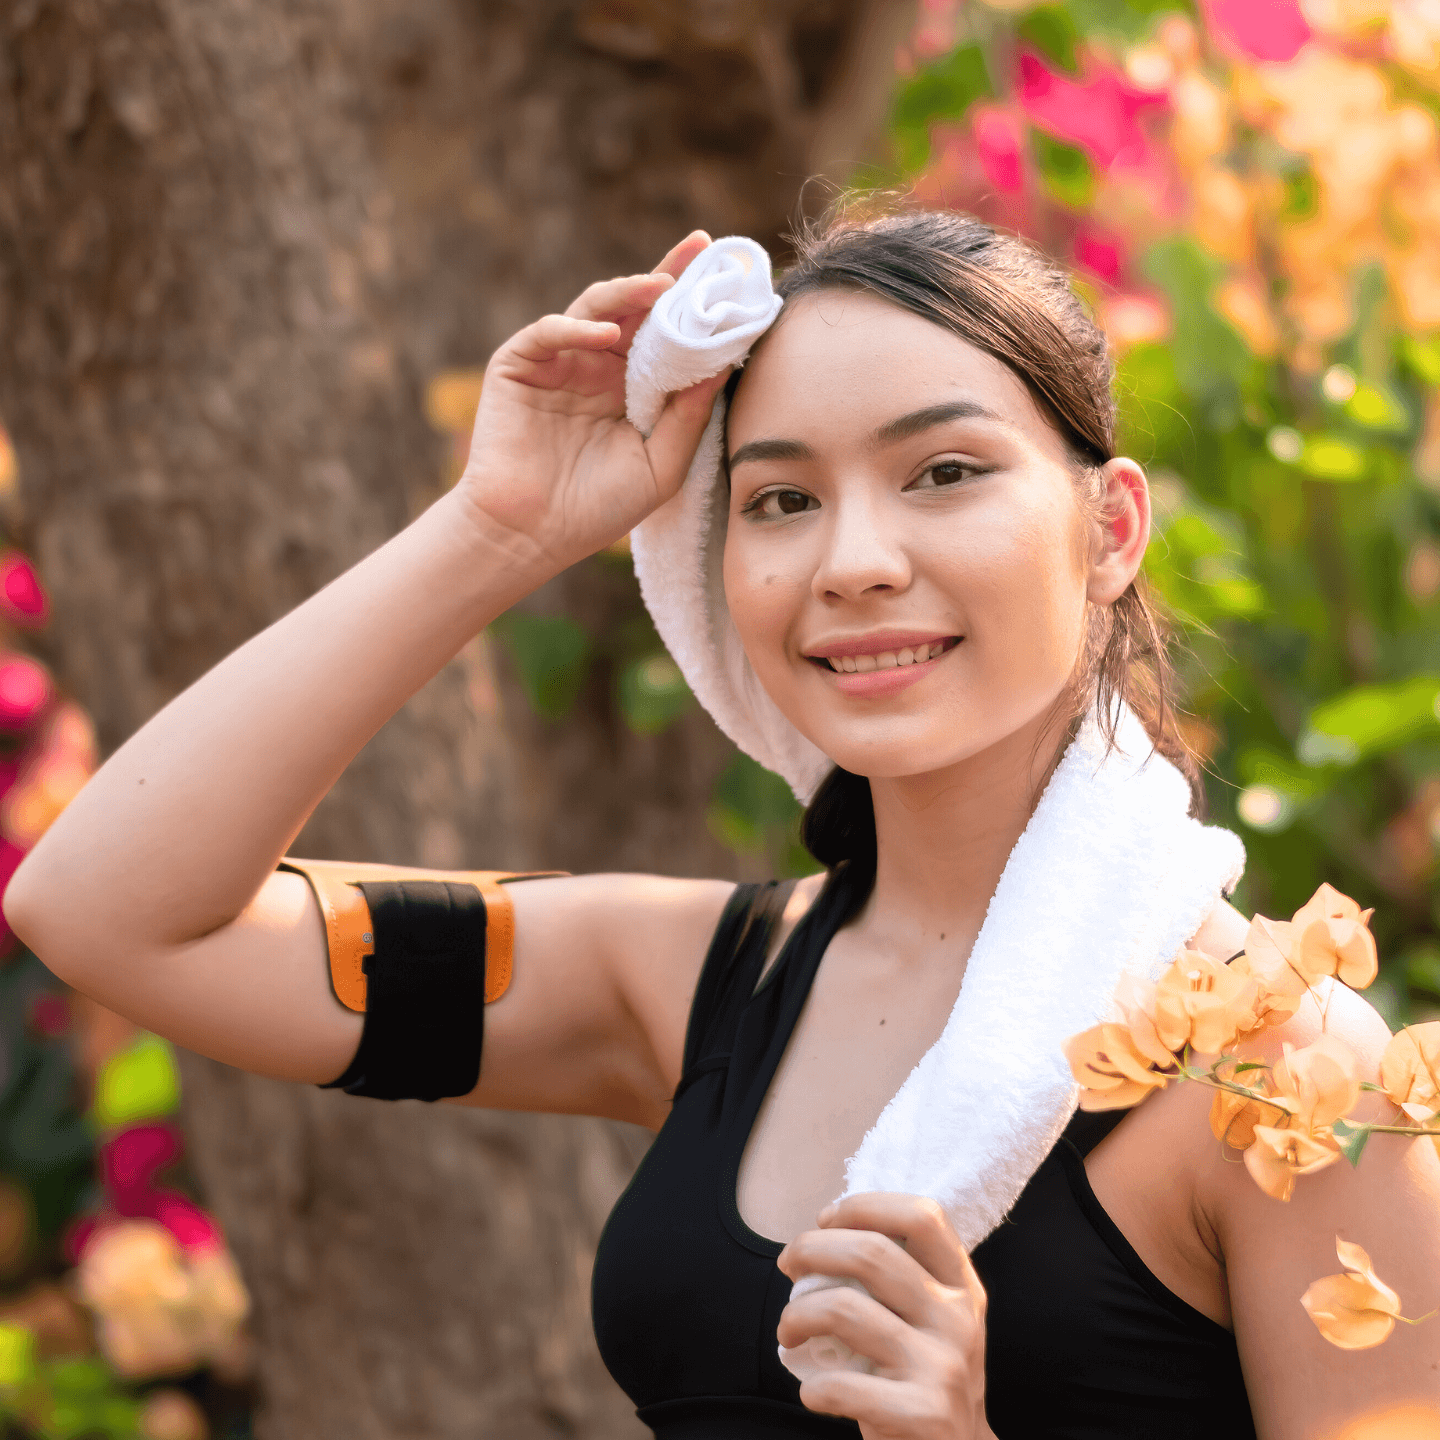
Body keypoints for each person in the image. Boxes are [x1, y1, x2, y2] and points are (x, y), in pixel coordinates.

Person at [5, 203, 1438, 1440]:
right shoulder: (690, 985)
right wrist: (497, 529)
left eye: (943, 472)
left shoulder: (1286, 1076)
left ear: (1111, 529)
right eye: (780, 500)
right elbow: (107, 911)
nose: (855, 562)